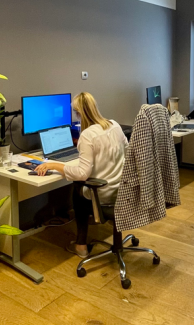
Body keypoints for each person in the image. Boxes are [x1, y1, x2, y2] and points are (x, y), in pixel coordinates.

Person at [35, 92, 127, 257]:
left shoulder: (87, 135)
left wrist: (54, 165)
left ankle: (81, 246)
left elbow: (82, 174)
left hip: (103, 195)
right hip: (121, 190)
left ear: (79, 113)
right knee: (81, 185)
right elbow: (128, 152)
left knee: (78, 187)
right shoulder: (115, 125)